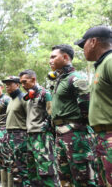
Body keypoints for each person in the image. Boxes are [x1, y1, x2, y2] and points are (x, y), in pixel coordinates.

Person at [49, 44, 97, 186]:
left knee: (83, 176)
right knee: (65, 175)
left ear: (65, 57)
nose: (50, 60)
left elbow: (86, 105)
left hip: (76, 134)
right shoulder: (59, 80)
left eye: (53, 57)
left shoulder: (75, 78)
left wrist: (77, 127)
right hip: (60, 133)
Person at [75, 26, 112, 186]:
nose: (83, 50)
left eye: (83, 45)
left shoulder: (110, 62)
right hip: (102, 138)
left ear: (94, 42)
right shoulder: (102, 65)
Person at [19, 69, 61, 186]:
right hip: (31, 137)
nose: (23, 85)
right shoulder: (29, 96)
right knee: (33, 172)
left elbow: (51, 114)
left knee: (47, 171)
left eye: (24, 82)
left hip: (42, 137)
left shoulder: (44, 93)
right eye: (21, 83)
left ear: (33, 79)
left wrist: (47, 132)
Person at [2, 76, 29, 187]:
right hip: (10, 136)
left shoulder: (23, 98)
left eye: (10, 83)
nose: (7, 86)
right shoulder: (11, 100)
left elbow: (30, 117)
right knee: (13, 166)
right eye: (6, 84)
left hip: (21, 136)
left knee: (22, 166)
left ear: (17, 85)